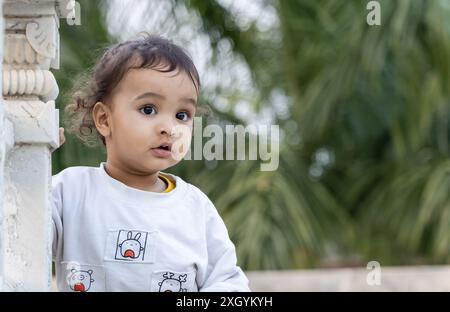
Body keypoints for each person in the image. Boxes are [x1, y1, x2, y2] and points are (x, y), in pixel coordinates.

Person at [52, 34, 250, 292]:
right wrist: (29, 163)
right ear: (104, 119)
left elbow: (229, 284)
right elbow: (18, 229)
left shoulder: (195, 208)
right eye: (148, 109)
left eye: (182, 115)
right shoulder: (69, 192)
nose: (169, 128)